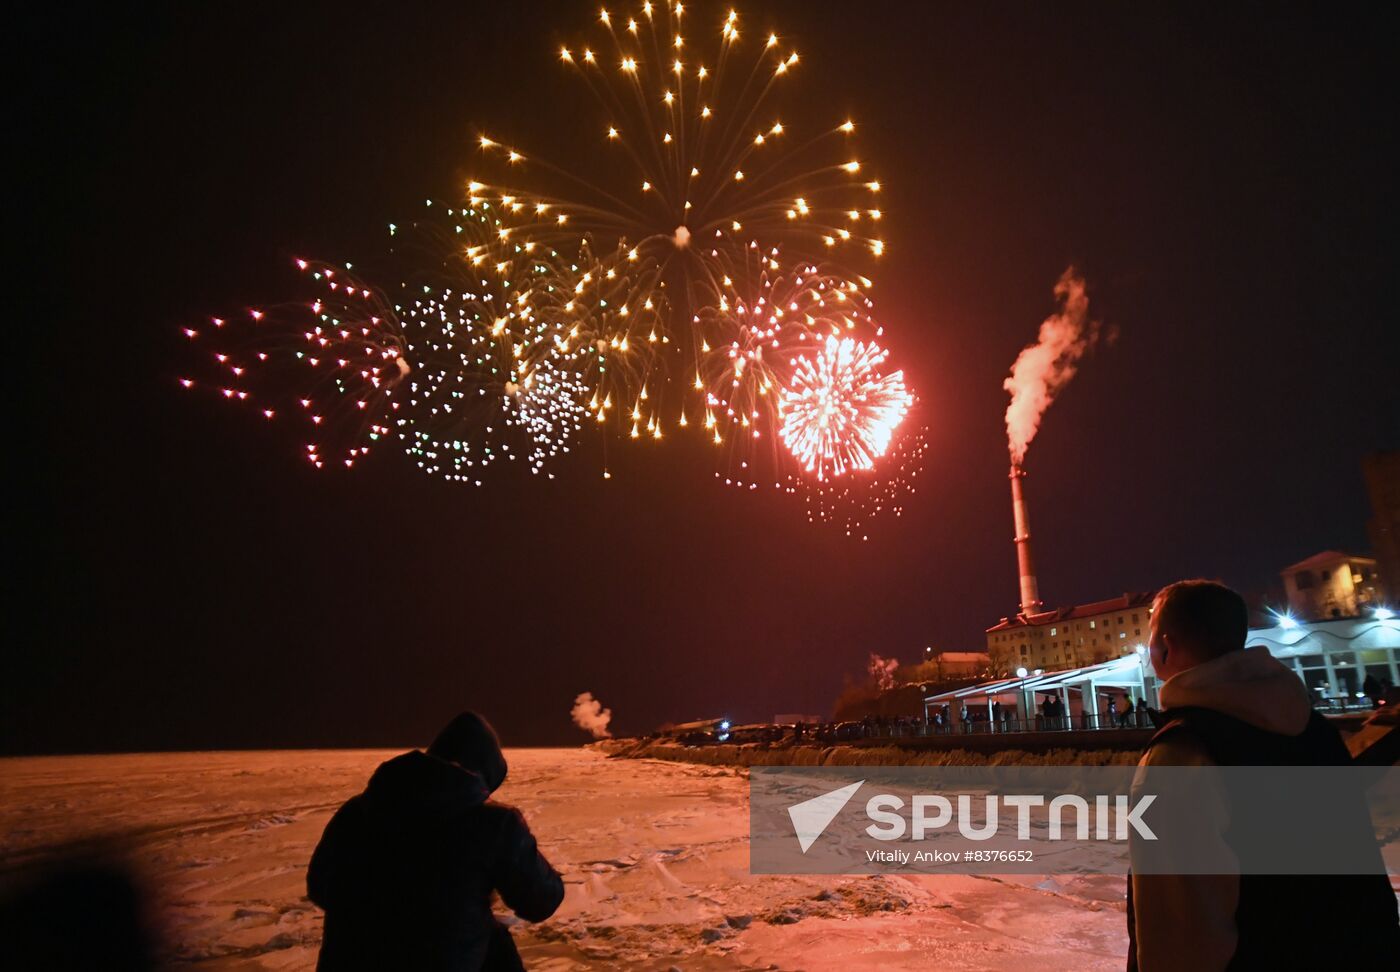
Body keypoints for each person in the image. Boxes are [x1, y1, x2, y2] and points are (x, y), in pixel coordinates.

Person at [1127, 580, 1399, 971]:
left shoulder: (1180, 757)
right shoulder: (1314, 730)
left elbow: (1179, 934)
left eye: (1149, 634)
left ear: (1165, 647)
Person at [307, 712, 564, 971]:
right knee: (495, 945)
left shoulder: (357, 812)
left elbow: (319, 887)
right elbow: (541, 900)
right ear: (481, 775)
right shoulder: (493, 824)